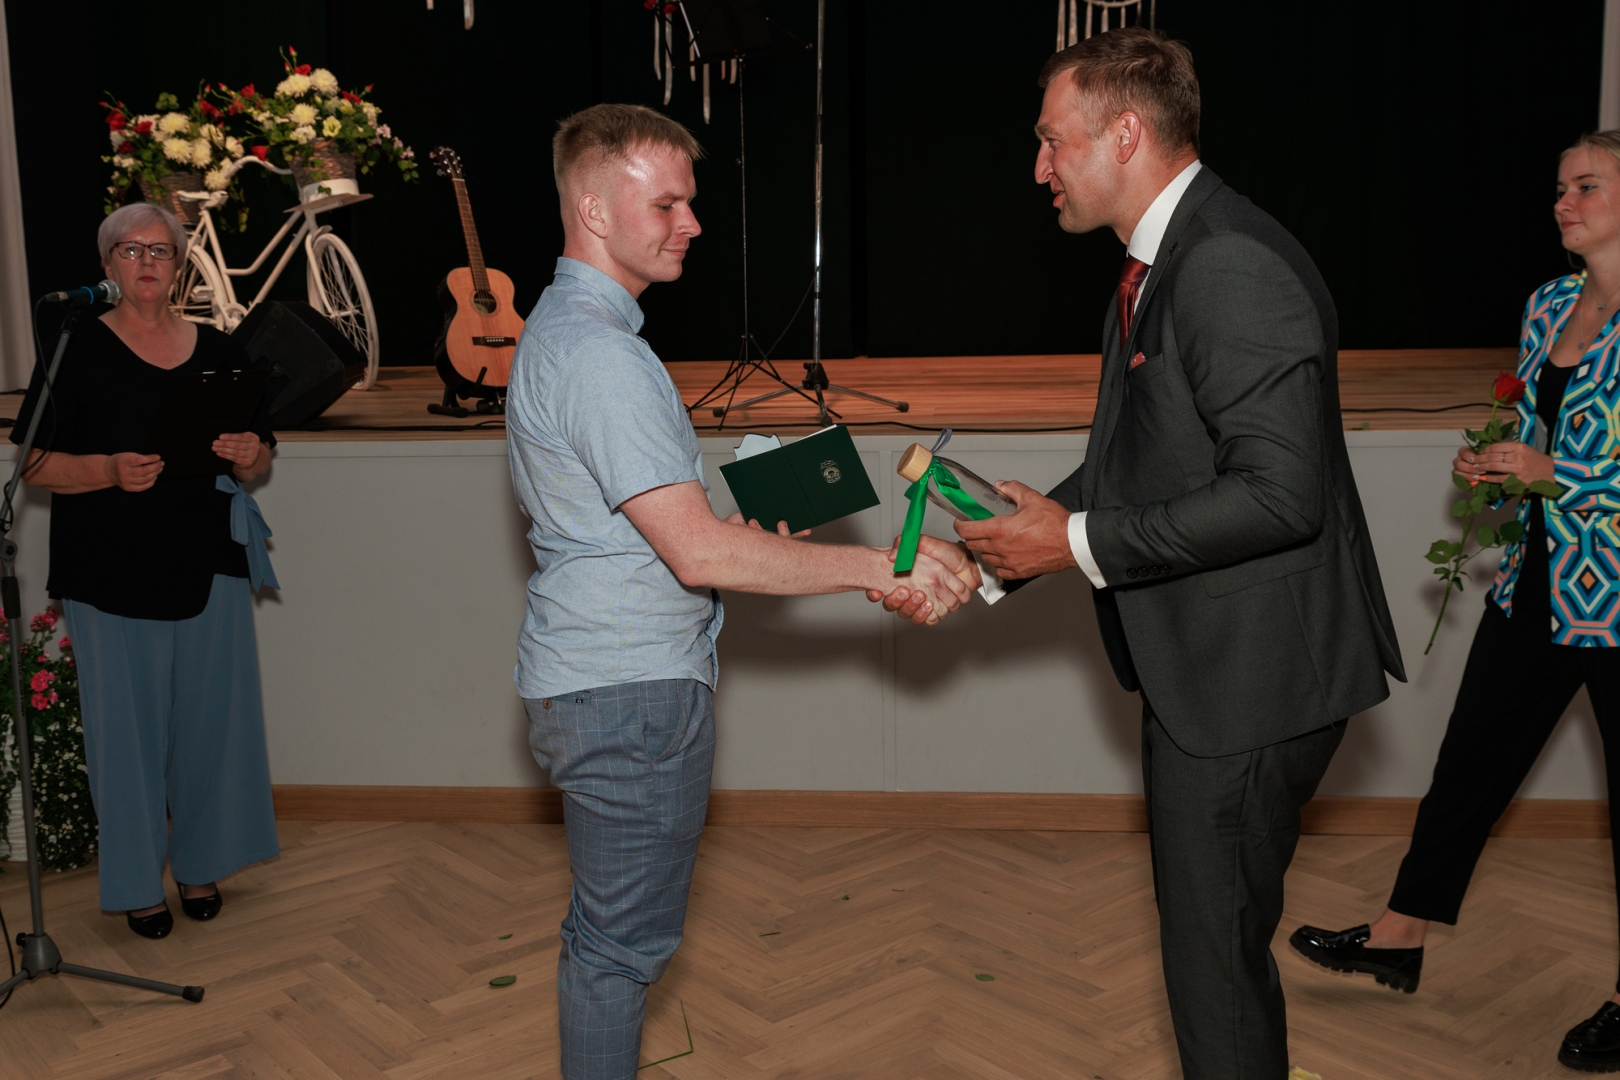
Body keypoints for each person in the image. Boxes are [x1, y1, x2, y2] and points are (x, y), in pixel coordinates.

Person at [933, 28, 1406, 1080]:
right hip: (1221, 672)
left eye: (1053, 141)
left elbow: (1279, 497)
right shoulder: (1164, 257)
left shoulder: (1225, 263)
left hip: (1250, 686)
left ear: (1124, 134)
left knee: (1213, 975)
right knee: (1213, 961)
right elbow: (1146, 461)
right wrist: (1020, 536)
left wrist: (1074, 542)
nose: (1040, 169)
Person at [508, 103, 973, 1080]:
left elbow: (660, 532)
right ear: (592, 210)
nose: (692, 223)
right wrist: (881, 564)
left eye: (690, 201)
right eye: (666, 204)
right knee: (617, 953)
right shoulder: (600, 354)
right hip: (627, 692)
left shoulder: (574, 329)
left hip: (603, 681)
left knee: (608, 941)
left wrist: (735, 529)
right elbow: (693, 555)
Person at [1290, 130, 1620, 1074]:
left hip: (1617, 603)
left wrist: (1556, 474)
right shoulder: (1548, 303)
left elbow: (1565, 461)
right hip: (1537, 584)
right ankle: (1401, 935)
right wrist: (1495, 462)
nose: (1563, 202)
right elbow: (1528, 425)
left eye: (1587, 186)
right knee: (1470, 763)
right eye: (1559, 187)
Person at [11, 201, 279, 939]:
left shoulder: (221, 346)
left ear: (179, 264)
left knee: (211, 727)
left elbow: (259, 447)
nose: (147, 262)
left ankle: (201, 865)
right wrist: (105, 470)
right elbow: (31, 463)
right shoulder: (74, 347)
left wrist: (252, 455)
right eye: (130, 251)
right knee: (126, 742)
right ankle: (136, 883)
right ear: (107, 266)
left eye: (160, 250)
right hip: (110, 572)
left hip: (210, 562)